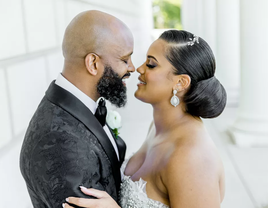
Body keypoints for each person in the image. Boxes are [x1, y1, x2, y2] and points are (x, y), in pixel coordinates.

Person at [63, 30, 227, 208]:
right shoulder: (157, 128)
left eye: (151, 64)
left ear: (180, 83)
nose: (138, 69)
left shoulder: (193, 158)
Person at [20, 10, 135, 208]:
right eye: (125, 59)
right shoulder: (58, 144)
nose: (132, 68)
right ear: (93, 63)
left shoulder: (83, 105)